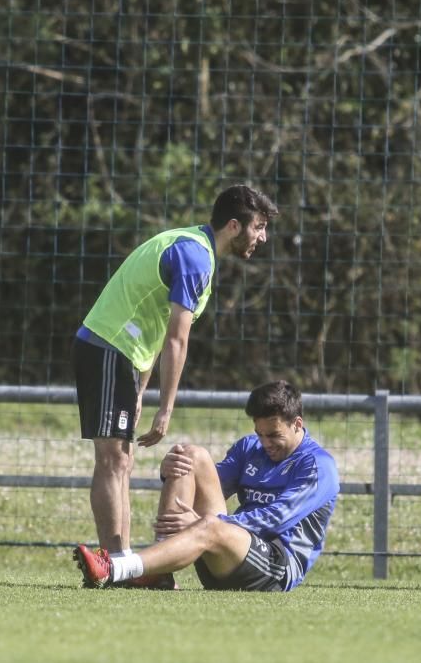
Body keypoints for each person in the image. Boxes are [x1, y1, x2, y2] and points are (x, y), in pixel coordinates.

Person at [72, 185, 278, 566]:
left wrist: (139, 393)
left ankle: (125, 561)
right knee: (112, 460)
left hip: (123, 355)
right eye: (259, 227)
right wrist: (165, 409)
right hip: (108, 348)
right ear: (234, 226)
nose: (262, 237)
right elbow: (176, 340)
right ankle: (117, 563)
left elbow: (156, 328)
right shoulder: (194, 256)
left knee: (123, 461)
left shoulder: (197, 250)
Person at [74, 380, 340, 592]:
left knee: (211, 524)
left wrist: (211, 523)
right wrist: (166, 471)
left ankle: (116, 569)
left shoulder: (318, 465)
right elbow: (207, 484)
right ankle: (159, 573)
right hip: (230, 552)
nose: (265, 442)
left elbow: (276, 519)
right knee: (189, 455)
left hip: (276, 566)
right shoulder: (250, 447)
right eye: (260, 434)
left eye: (274, 435)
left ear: (297, 424)